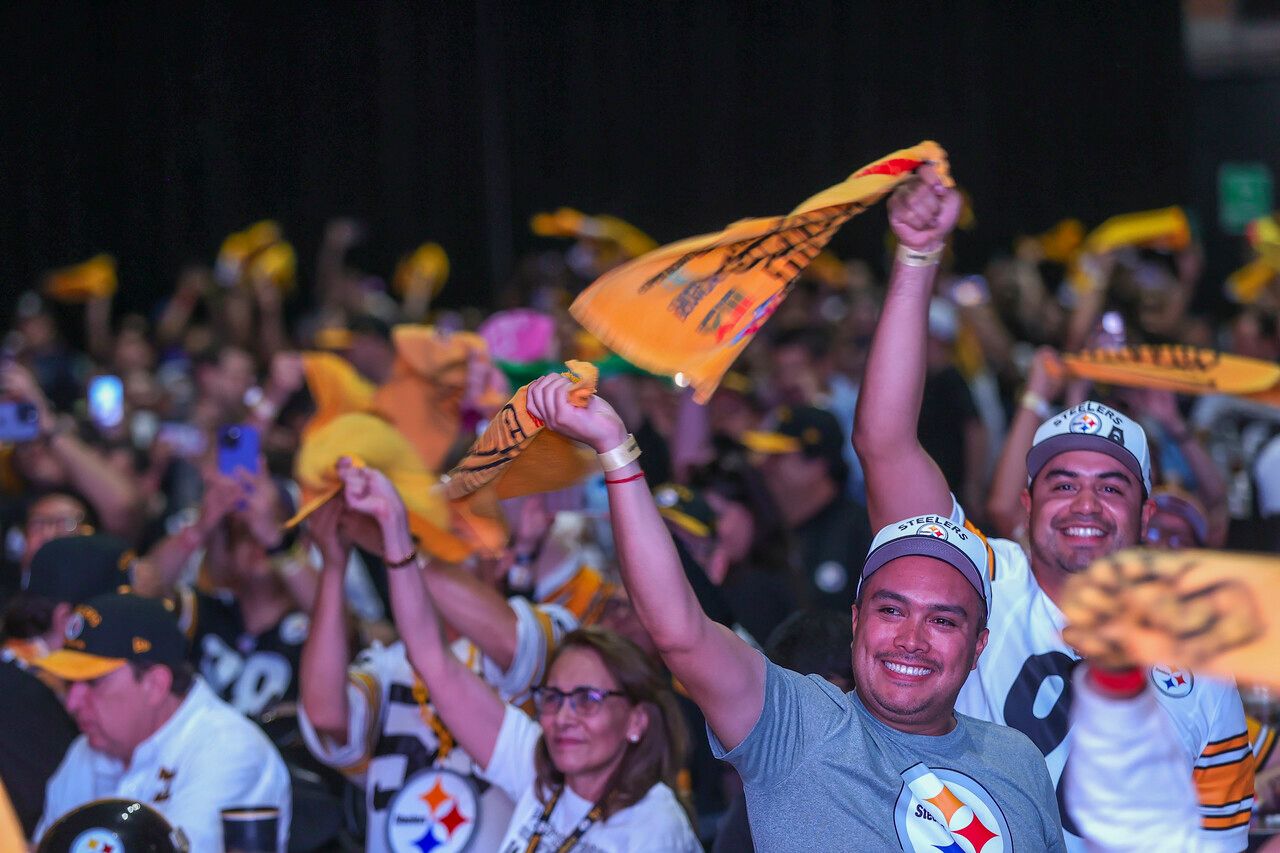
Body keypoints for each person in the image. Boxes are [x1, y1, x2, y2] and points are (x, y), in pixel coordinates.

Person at [852, 163, 1254, 849]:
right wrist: (918, 257)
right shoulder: (981, 577)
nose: (1086, 503)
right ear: (1028, 498)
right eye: (1064, 483)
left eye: (1112, 484)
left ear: (1147, 513)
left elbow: (1223, 834)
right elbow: (884, 442)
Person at [526, 372, 1065, 850]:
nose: (911, 639)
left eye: (944, 620)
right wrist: (616, 449)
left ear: (979, 645)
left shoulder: (1017, 760)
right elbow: (679, 630)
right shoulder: (798, 726)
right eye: (891, 610)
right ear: (856, 623)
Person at [333, 459, 700, 852]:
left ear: (636, 720)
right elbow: (431, 659)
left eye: (586, 700)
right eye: (554, 698)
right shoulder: (538, 774)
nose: (563, 718)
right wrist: (395, 533)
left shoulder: (653, 825)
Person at [32, 592, 291, 851]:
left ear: (155, 685)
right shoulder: (87, 750)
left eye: (93, 682)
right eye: (69, 683)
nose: (72, 702)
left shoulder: (230, 750)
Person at [741, 404, 872, 611]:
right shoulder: (758, 527)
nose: (763, 466)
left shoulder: (859, 535)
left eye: (778, 456)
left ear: (818, 464)